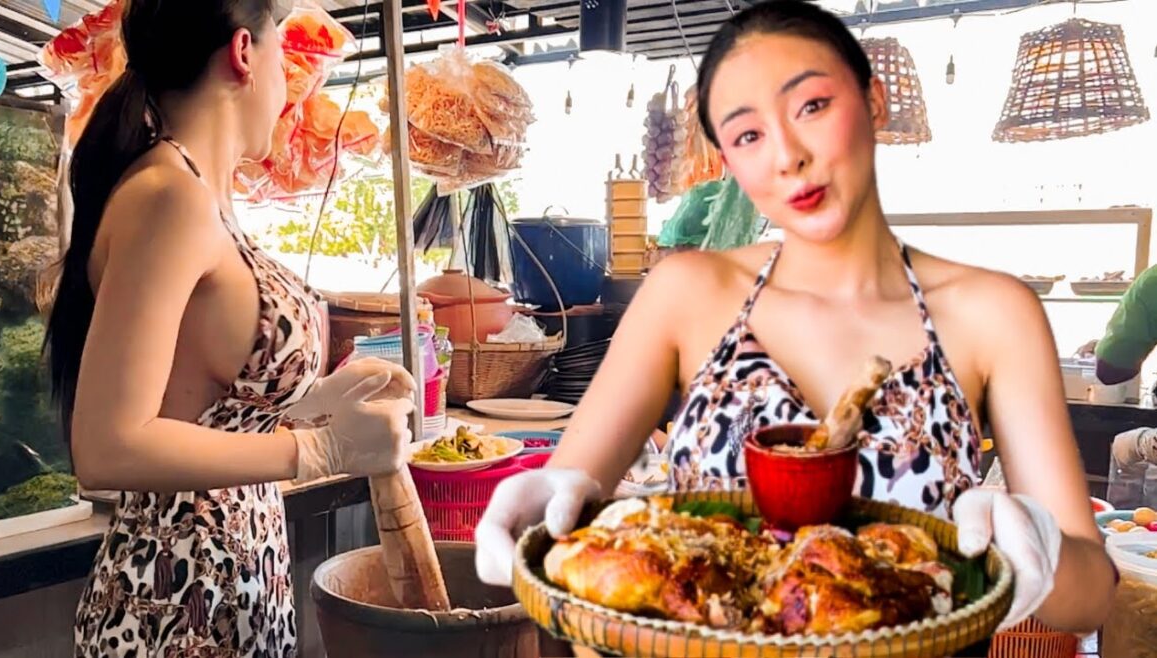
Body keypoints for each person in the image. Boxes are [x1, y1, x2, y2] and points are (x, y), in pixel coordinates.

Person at [476, 0, 1114, 634]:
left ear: (873, 101)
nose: (787, 156)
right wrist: (538, 507)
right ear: (728, 162)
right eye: (748, 135)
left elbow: (1089, 602)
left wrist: (1043, 550)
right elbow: (567, 497)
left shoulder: (993, 312)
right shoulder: (686, 291)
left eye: (812, 106)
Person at [43, 2, 416, 655]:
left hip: (227, 590)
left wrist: (309, 406)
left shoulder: (200, 195)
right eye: (282, 53)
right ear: (244, 53)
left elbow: (200, 408)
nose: (287, 89)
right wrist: (318, 451)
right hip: (175, 605)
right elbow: (108, 445)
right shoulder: (169, 196)